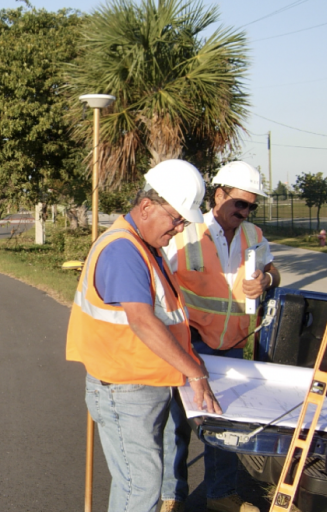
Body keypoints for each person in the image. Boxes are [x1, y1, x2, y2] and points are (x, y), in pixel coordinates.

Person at [66, 159, 222, 512]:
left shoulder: (145, 246)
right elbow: (142, 321)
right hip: (125, 390)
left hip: (140, 385)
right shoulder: (123, 249)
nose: (180, 229)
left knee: (136, 485)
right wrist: (195, 372)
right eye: (176, 219)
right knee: (142, 488)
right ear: (147, 206)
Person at [161, 161, 281, 512]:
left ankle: (221, 494)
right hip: (189, 342)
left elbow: (273, 270)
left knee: (225, 428)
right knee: (177, 423)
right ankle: (172, 496)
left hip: (231, 346)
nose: (245, 212)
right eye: (239, 204)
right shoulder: (186, 231)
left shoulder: (254, 236)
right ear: (218, 195)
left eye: (251, 206)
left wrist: (267, 281)